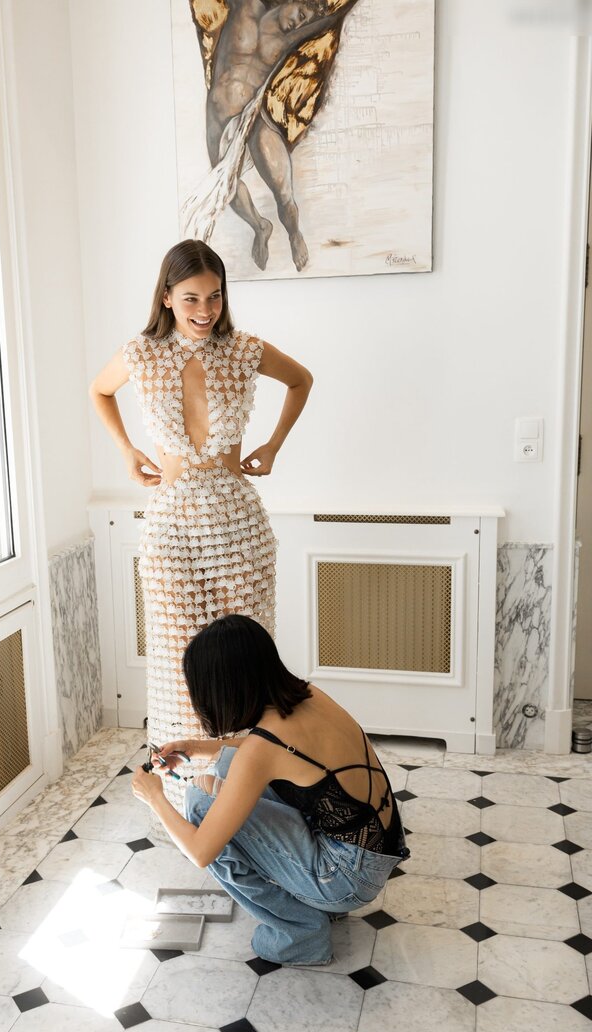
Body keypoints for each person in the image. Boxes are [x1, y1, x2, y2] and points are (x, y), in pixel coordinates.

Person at [89, 240, 312, 810]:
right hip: (170, 527)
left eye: (214, 296)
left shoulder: (243, 350)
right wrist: (126, 451)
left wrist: (273, 445)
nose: (205, 309)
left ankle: (250, 786)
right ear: (167, 297)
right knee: (177, 658)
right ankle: (188, 791)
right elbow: (100, 390)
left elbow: (301, 379)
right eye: (191, 298)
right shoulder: (141, 353)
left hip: (238, 526)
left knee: (245, 658)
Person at [130, 614, 410, 966]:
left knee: (200, 806)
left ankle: (301, 932)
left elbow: (201, 852)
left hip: (348, 879)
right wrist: (196, 747)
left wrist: (154, 796)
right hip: (376, 850)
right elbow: (270, 750)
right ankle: (317, 905)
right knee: (228, 764)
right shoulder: (308, 695)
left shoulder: (262, 750)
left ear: (222, 690)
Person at [187, 0, 362, 270]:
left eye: (304, 22)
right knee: (227, 187)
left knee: (283, 190)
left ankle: (294, 234)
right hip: (218, 114)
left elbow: (329, 21)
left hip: (253, 116)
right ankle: (260, 226)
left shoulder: (288, 38)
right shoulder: (246, 5)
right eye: (300, 14)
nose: (299, 23)